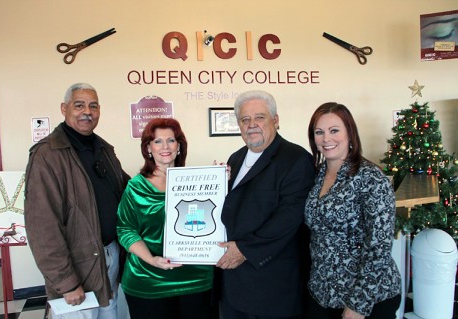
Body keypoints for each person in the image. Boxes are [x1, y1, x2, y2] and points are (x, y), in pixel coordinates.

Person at [24, 83, 130, 319]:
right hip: (77, 267)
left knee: (109, 313)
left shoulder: (104, 149)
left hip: (110, 256)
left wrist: (170, 181)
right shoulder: (47, 155)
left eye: (93, 106)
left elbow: (129, 189)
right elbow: (42, 227)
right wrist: (66, 282)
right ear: (64, 108)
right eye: (79, 105)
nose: (87, 112)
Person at [216, 90, 316, 319]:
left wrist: (243, 250)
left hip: (271, 287)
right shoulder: (236, 158)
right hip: (233, 284)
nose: (252, 125)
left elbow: (288, 218)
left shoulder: (296, 159)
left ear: (275, 120)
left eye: (259, 117)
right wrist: (215, 182)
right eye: (245, 119)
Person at [304, 102, 401, 319]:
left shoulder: (371, 178)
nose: (326, 139)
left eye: (334, 130)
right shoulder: (317, 176)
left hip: (367, 299)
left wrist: (358, 305)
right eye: (319, 132)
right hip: (322, 293)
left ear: (350, 133)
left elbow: (379, 247)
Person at [116, 118, 215, 319]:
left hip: (195, 278)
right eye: (158, 141)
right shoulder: (136, 187)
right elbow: (125, 229)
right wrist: (151, 259)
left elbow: (215, 219)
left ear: (179, 146)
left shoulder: (200, 181)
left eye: (170, 140)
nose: (165, 147)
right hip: (148, 279)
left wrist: (221, 179)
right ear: (148, 148)